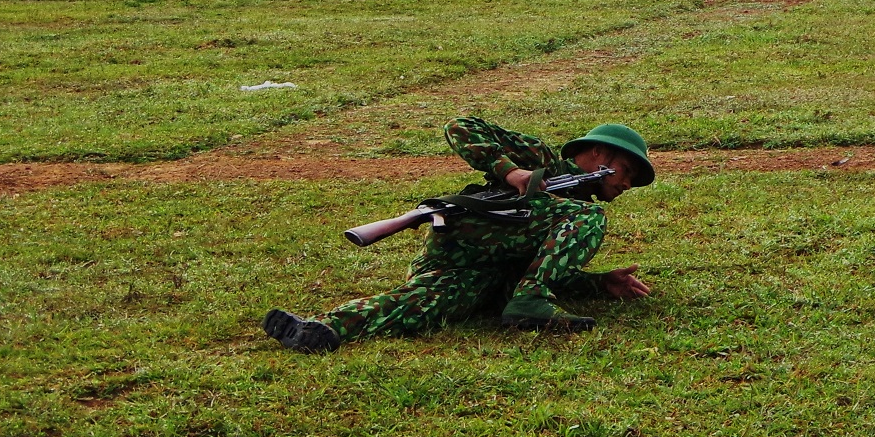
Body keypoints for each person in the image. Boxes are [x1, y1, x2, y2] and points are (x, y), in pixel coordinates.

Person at [261, 117, 657, 351]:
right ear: (598, 154)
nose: (626, 184)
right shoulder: (544, 160)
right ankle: (530, 302)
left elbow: (535, 264)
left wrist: (598, 283)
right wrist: (511, 172)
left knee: (425, 304)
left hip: (483, 267)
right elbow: (460, 126)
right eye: (626, 171)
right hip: (472, 232)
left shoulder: (567, 211)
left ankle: (322, 329)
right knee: (589, 216)